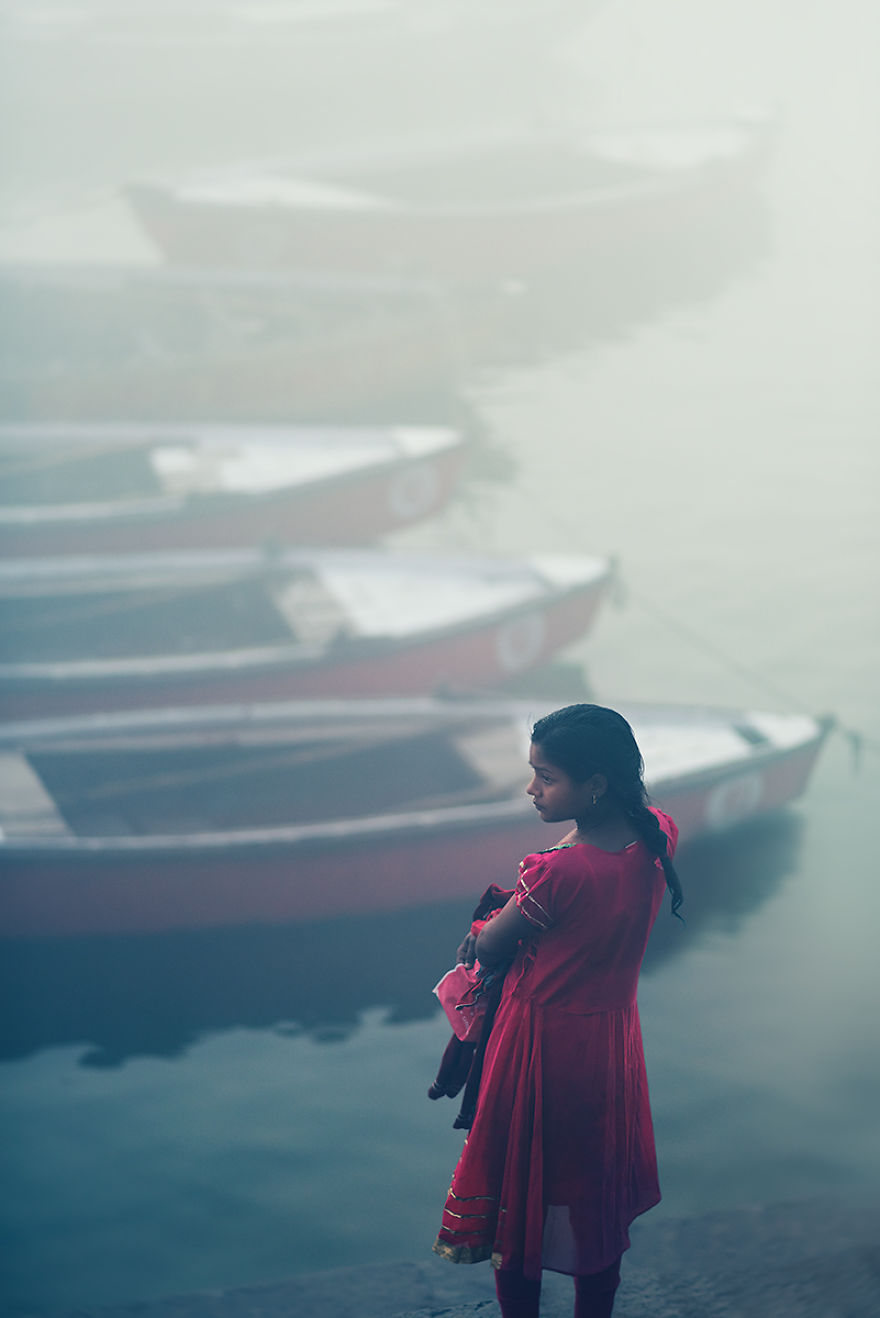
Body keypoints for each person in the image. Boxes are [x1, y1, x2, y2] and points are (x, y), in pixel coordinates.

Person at [432, 703, 683, 1318]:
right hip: (611, 1042)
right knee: (588, 1188)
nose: (531, 788)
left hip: (539, 1045)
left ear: (594, 785)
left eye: (547, 777)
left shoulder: (557, 874)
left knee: (524, 1191)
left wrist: (489, 923)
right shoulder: (657, 833)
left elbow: (491, 943)